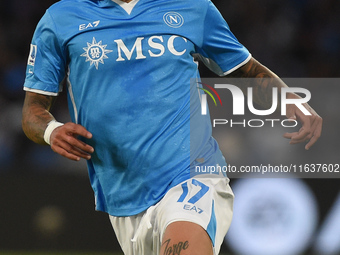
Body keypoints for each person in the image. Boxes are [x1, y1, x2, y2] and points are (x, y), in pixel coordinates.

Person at [22, 0, 322, 254]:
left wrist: (289, 99)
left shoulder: (193, 7)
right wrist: (51, 131)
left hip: (192, 174)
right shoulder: (61, 18)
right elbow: (34, 110)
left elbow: (243, 67)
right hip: (123, 194)